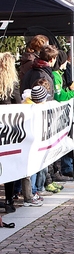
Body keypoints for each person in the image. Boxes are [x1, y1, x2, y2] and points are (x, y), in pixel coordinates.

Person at [0, 52, 22, 213]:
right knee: (9, 164)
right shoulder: (12, 85)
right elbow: (18, 105)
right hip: (9, 130)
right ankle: (9, 198)